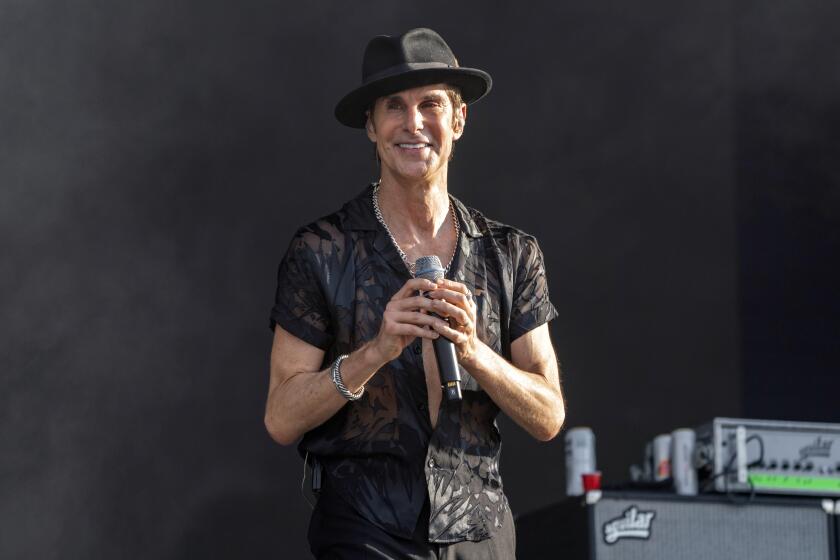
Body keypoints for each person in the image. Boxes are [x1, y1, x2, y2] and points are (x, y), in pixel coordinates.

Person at [265, 28, 565, 559]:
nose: (413, 123)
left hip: (480, 535)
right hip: (365, 530)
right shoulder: (322, 250)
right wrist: (375, 352)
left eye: (430, 104)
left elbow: (549, 415)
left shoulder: (511, 253)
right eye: (394, 106)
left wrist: (474, 351)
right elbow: (281, 418)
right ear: (371, 126)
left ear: (459, 120)